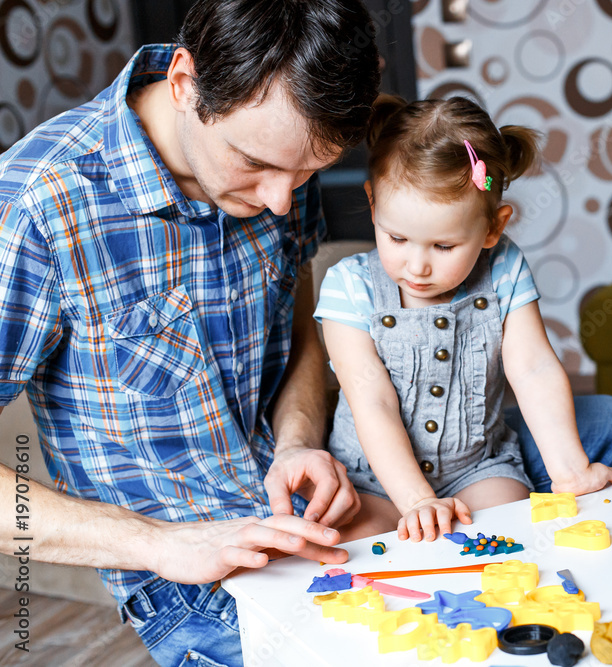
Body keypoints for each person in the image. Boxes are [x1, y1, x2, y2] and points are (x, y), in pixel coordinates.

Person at [0, 1, 381, 665]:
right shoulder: (39, 204)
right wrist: (161, 544)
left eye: (309, 172)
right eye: (254, 163)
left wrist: (296, 442)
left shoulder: (282, 164)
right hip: (184, 577)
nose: (281, 201)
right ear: (184, 83)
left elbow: (301, 329)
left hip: (304, 508)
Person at [315, 95, 612, 541]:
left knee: (507, 537)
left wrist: (571, 471)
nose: (417, 266)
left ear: (493, 229)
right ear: (373, 203)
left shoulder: (503, 268)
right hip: (374, 480)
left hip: (477, 468)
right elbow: (372, 399)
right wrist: (418, 502)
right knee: (357, 548)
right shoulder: (349, 287)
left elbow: (533, 367)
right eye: (397, 237)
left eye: (443, 247)